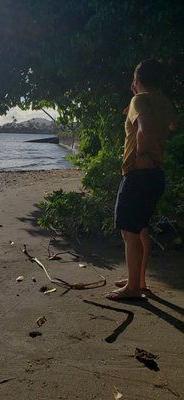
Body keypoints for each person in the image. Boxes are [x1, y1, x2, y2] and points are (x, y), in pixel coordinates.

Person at [106, 58, 178, 301]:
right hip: (156, 175)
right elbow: (172, 125)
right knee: (141, 228)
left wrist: (142, 154)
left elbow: (145, 128)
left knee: (129, 232)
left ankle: (133, 288)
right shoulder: (164, 102)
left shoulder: (139, 100)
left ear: (136, 80)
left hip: (139, 174)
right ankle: (139, 280)